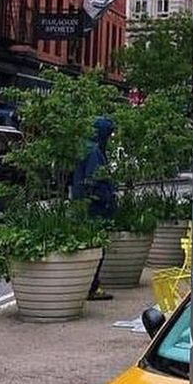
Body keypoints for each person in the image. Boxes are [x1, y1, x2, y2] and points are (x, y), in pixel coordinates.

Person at [71, 117, 117, 301]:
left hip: (85, 204)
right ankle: (92, 286)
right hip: (95, 207)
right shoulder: (94, 151)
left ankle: (89, 284)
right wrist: (106, 199)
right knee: (97, 246)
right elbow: (95, 178)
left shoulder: (85, 147)